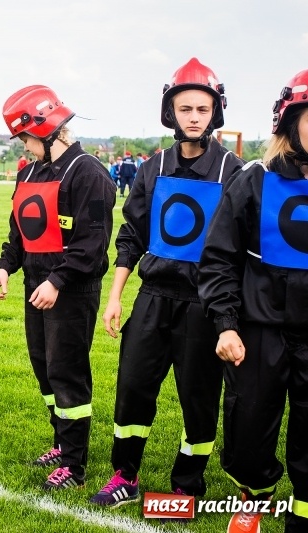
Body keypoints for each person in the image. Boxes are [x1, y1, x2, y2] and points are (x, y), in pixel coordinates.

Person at [89, 58, 244, 508]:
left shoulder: (232, 171)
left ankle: (187, 485)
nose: (194, 116)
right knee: (133, 386)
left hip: (204, 304)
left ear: (215, 113)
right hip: (153, 298)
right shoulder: (152, 166)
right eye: (185, 108)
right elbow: (132, 234)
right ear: (170, 112)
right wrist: (116, 297)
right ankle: (125, 475)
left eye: (202, 108)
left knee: (198, 399)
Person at [198, 69, 308, 533]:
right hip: (259, 333)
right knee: (249, 429)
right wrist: (225, 323)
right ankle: (254, 497)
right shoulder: (254, 181)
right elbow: (218, 258)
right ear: (289, 121)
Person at [0, 85, 116, 488]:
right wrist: (6, 267)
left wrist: (57, 280)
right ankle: (62, 443)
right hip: (35, 285)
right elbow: (20, 229)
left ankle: (74, 466)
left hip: (71, 290)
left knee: (67, 372)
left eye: (26, 139)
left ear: (47, 129)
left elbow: (92, 244)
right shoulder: (30, 172)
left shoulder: (90, 174)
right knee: (45, 371)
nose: (24, 148)